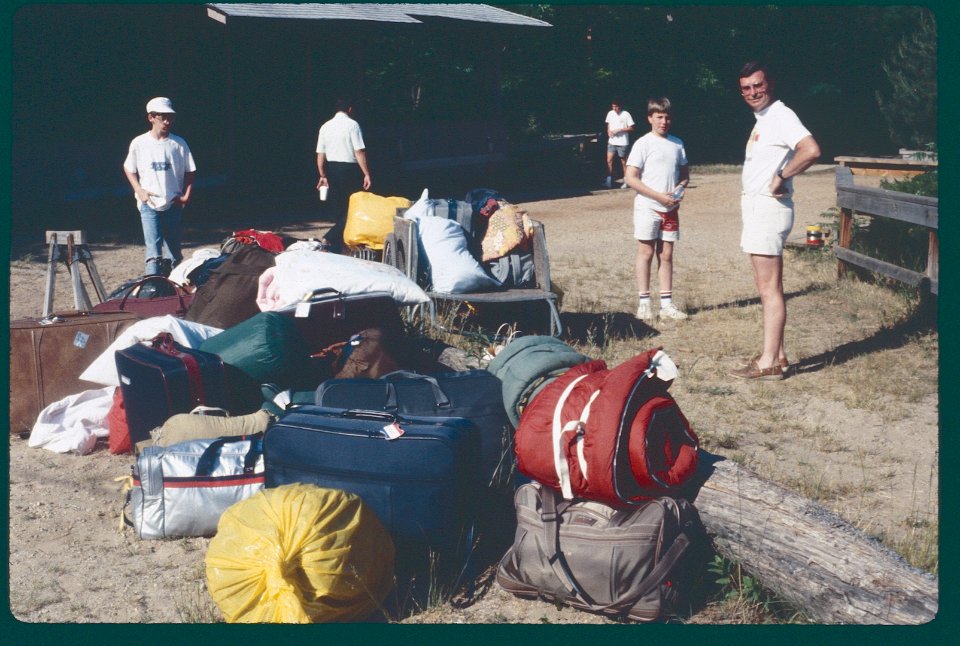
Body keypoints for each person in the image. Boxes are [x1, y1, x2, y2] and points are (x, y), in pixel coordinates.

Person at [729, 61, 821, 381]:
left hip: (769, 208)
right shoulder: (763, 119)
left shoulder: (781, 115)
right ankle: (778, 354)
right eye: (746, 88)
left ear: (771, 83)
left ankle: (768, 362)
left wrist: (781, 176)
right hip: (758, 208)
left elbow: (810, 150)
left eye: (758, 84)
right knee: (769, 286)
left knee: (768, 289)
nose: (753, 92)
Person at [624, 97, 690, 322]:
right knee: (646, 253)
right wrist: (658, 196)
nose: (664, 121)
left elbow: (684, 174)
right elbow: (630, 178)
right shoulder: (643, 143)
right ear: (650, 118)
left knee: (667, 254)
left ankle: (667, 304)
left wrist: (680, 189)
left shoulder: (677, 143)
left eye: (667, 117)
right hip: (648, 207)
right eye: (659, 117)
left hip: (670, 209)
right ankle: (644, 303)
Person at [123, 97, 196, 276]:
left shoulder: (178, 144)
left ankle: (177, 287)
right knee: (153, 252)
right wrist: (139, 190)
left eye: (170, 117)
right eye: (162, 117)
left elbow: (190, 170)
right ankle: (153, 289)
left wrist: (185, 196)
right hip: (149, 204)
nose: (167, 121)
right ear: (151, 118)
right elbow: (128, 168)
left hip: (173, 202)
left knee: (174, 252)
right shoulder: (139, 143)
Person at [315, 97, 372, 253]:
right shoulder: (353, 125)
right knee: (353, 207)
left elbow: (320, 154)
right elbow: (359, 151)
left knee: (340, 208)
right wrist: (366, 173)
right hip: (350, 169)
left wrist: (322, 174)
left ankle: (339, 246)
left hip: (332, 168)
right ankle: (332, 237)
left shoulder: (325, 127)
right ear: (350, 109)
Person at [604, 98, 635, 188]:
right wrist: (608, 131)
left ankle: (626, 180)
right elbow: (608, 124)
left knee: (623, 162)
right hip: (612, 141)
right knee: (609, 160)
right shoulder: (610, 113)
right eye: (613, 106)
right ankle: (608, 180)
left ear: (620, 106)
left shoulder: (626, 114)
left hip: (623, 142)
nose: (614, 108)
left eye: (616, 107)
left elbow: (632, 128)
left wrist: (620, 129)